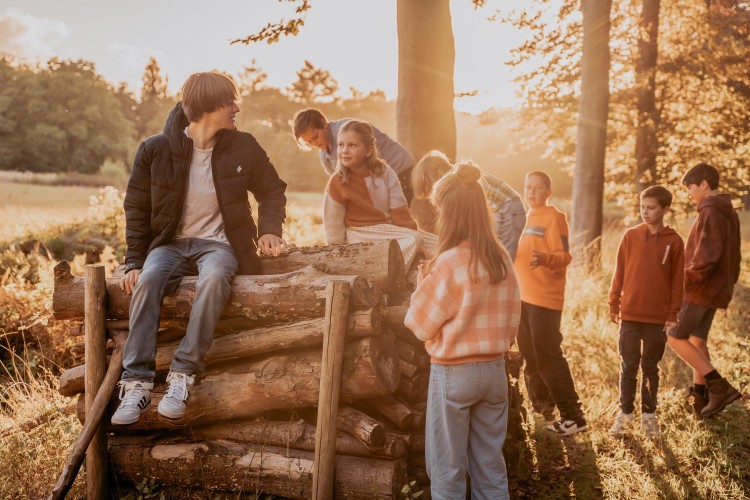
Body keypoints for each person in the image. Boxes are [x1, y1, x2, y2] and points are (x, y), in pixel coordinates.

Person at [111, 72, 288, 425]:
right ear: (208, 106)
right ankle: (137, 384)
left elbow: (272, 190)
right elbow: (137, 208)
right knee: (147, 281)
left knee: (214, 280)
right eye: (229, 102)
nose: (237, 107)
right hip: (170, 245)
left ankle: (182, 377)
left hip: (219, 246)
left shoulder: (244, 146)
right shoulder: (154, 149)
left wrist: (269, 231)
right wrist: (134, 260)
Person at [404, 162, 521, 500]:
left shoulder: (450, 261)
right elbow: (513, 317)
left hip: (454, 374)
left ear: (450, 214)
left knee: (447, 472)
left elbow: (419, 324)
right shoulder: (501, 257)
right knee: (490, 467)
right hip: (494, 370)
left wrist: (422, 282)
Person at [514, 170, 587, 435]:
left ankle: (573, 416)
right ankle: (543, 412)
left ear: (548, 192)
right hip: (522, 297)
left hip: (545, 298)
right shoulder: (523, 218)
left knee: (547, 355)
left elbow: (564, 257)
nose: (531, 192)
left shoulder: (555, 218)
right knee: (530, 357)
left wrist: (545, 259)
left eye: (537, 187)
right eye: (528, 187)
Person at [608, 186, 684, 436]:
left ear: (665, 209)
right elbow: (619, 272)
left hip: (657, 319)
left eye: (651, 208)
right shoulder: (630, 236)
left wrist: (673, 314)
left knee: (650, 368)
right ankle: (625, 414)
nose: (645, 212)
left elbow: (676, 282)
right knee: (628, 366)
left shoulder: (674, 241)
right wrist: (613, 303)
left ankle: (649, 416)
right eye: (642, 207)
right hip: (629, 315)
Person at [667, 162, 742, 418]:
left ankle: (718, 386)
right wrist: (728, 283)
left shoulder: (710, 211)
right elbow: (735, 256)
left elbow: (706, 258)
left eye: (690, 187)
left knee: (674, 335)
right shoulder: (728, 211)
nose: (689, 192)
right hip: (717, 288)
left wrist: (683, 281)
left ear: (704, 185)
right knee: (697, 340)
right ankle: (700, 397)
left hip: (699, 288)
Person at [323, 119, 434, 269]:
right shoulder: (337, 182)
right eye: (341, 145)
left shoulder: (385, 172)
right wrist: (339, 253)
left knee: (438, 243)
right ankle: (389, 274)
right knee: (413, 239)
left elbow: (400, 212)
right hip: (359, 233)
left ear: (368, 150)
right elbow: (332, 225)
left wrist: (420, 240)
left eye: (352, 145)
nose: (344, 151)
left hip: (387, 229)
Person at [411, 150, 527, 260]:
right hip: (501, 208)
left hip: (508, 208)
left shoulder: (463, 182)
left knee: (500, 257)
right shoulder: (458, 182)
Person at [292, 108, 416, 203]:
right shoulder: (325, 156)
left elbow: (369, 163)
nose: (314, 143)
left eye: (315, 137)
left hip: (399, 170)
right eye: (309, 141)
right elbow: (341, 183)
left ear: (324, 123)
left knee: (394, 221)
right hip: (379, 181)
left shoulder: (348, 130)